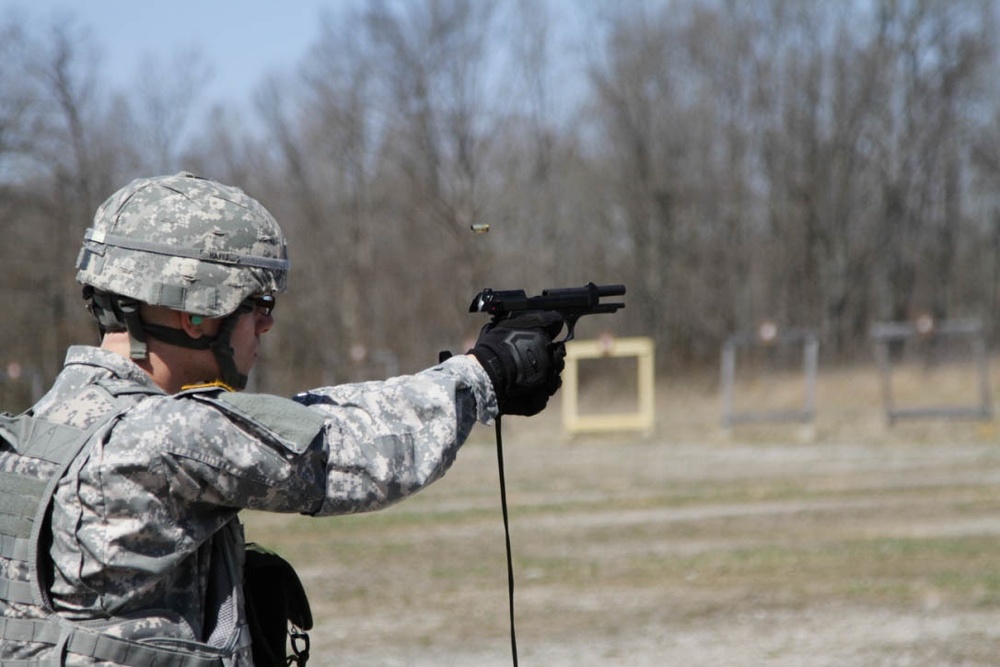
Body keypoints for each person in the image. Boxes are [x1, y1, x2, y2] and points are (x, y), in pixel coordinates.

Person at [0, 172, 565, 665]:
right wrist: (484, 375)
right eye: (258, 305)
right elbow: (356, 452)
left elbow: (295, 418)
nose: (266, 326)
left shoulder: (32, 433)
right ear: (198, 315)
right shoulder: (163, 438)